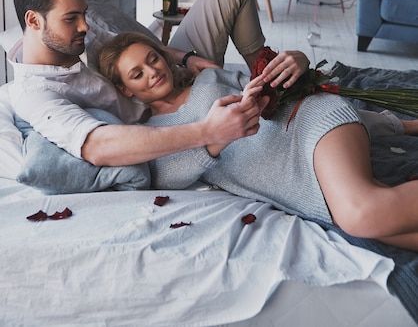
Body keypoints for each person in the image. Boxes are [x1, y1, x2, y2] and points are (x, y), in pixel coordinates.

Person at [98, 31, 418, 252]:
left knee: (362, 213)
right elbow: (166, 177)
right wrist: (215, 137)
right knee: (389, 229)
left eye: (152, 59)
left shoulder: (209, 77)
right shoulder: (153, 135)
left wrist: (294, 63)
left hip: (307, 127)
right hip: (298, 186)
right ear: (126, 90)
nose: (152, 72)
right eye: (136, 74)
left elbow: (277, 83)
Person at [8, 0, 309, 166]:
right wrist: (208, 132)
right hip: (163, 118)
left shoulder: (84, 26)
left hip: (171, 73)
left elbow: (143, 45)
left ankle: (270, 76)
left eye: (83, 13)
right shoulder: (35, 92)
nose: (85, 26)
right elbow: (96, 146)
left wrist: (185, 57)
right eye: (71, 18)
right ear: (34, 21)